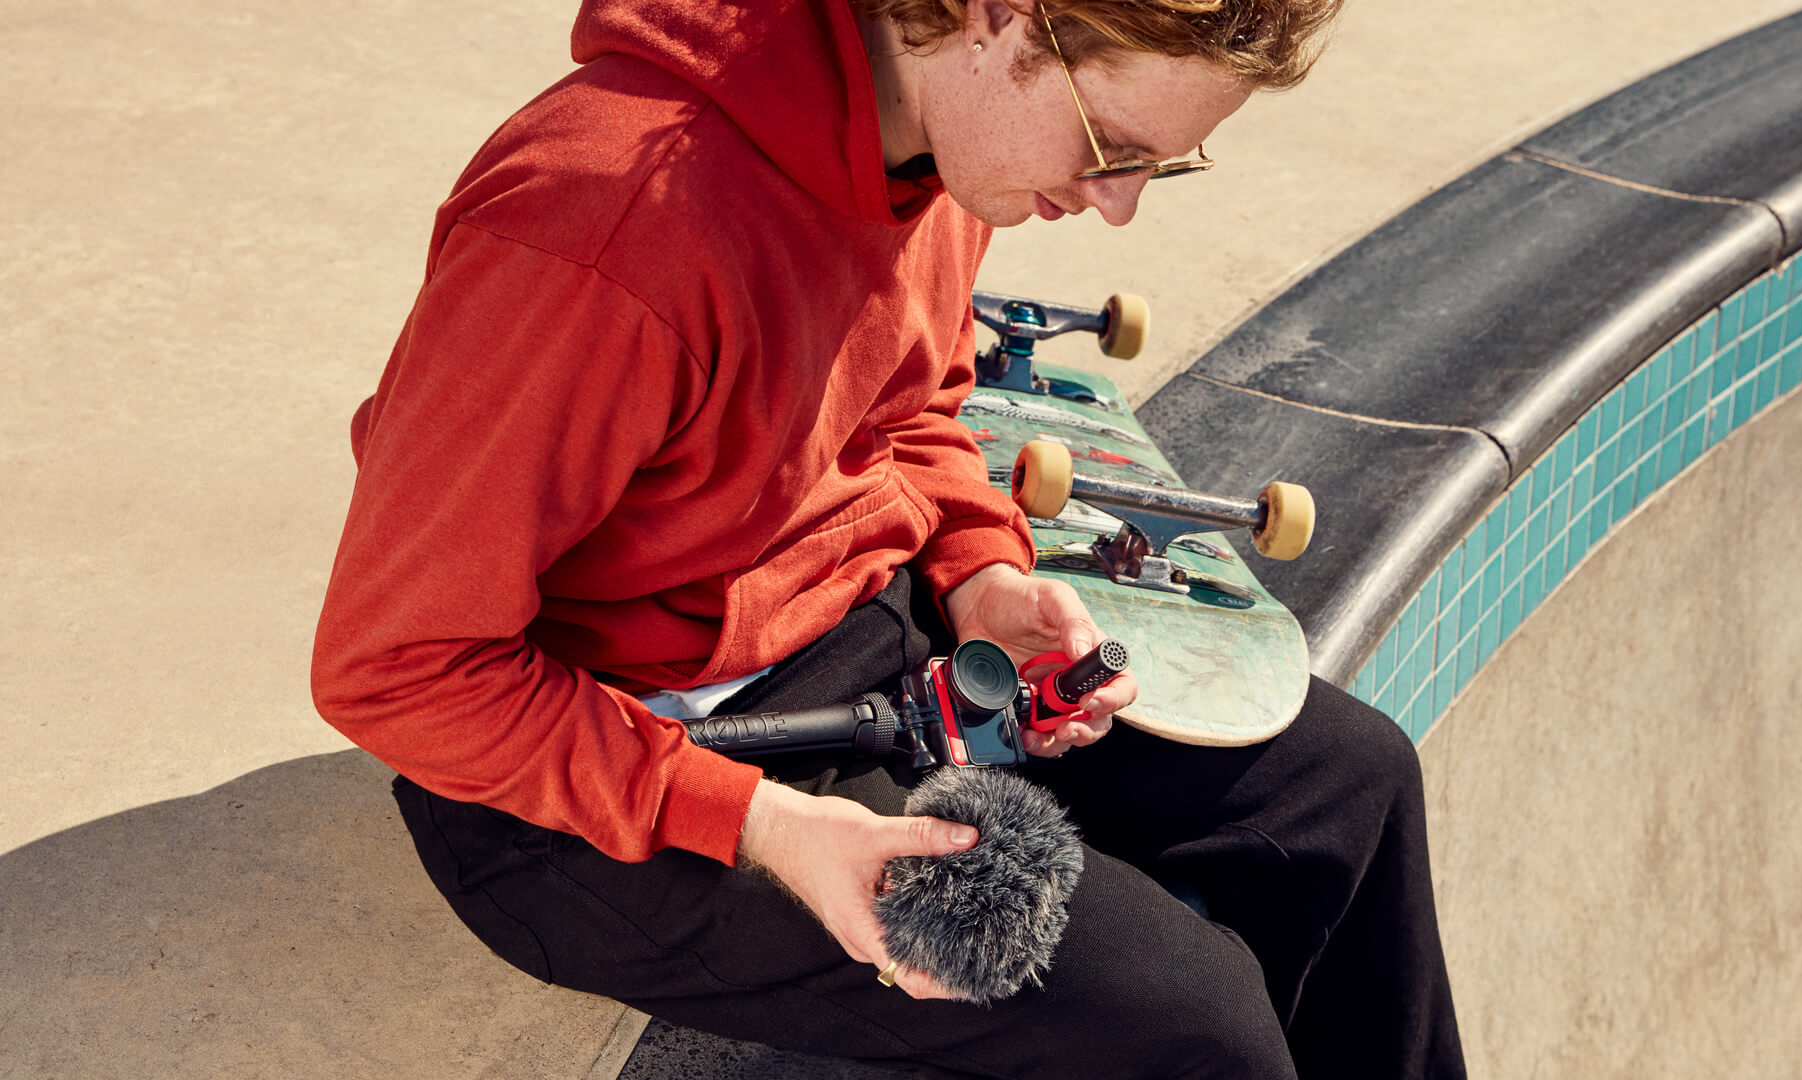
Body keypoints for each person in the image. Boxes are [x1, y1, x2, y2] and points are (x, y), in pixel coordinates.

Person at [311, 0, 1466, 1076]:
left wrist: (982, 571)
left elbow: (911, 404)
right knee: (1192, 1024)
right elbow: (397, 671)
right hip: (582, 788)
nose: (1116, 206)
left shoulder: (941, 146)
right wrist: (763, 825)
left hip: (858, 638)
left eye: (1161, 162)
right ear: (996, 16)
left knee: (1345, 789)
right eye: (1111, 147)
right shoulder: (594, 237)